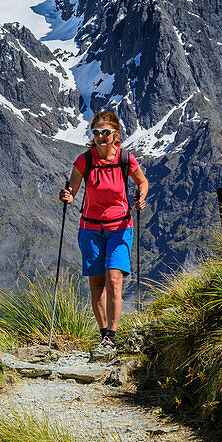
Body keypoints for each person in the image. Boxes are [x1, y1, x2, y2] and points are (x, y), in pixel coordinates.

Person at [58, 111, 148, 360]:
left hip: (120, 227)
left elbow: (142, 182)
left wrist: (141, 197)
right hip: (90, 229)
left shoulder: (125, 158)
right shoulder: (84, 161)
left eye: (105, 133)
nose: (100, 137)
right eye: (95, 132)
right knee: (97, 285)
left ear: (115, 134)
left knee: (114, 280)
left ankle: (112, 336)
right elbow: (72, 191)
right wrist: (66, 196)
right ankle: (103, 335)